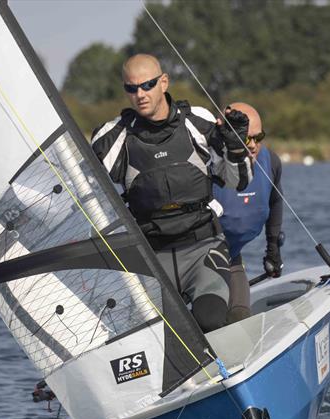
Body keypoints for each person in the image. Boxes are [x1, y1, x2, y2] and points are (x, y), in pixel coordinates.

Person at [91, 54, 252, 332]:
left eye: (148, 85)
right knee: (156, 337)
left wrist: (236, 148)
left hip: (203, 250)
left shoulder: (197, 121)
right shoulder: (111, 137)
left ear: (163, 82)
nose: (140, 94)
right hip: (151, 260)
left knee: (210, 320)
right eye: (132, 88)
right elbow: (85, 196)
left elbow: (238, 182)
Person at [213, 102, 283, 321]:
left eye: (258, 137)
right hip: (199, 259)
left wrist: (273, 249)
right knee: (210, 319)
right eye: (246, 138)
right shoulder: (208, 163)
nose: (253, 145)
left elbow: (275, 203)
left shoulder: (270, 161)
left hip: (232, 257)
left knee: (240, 316)